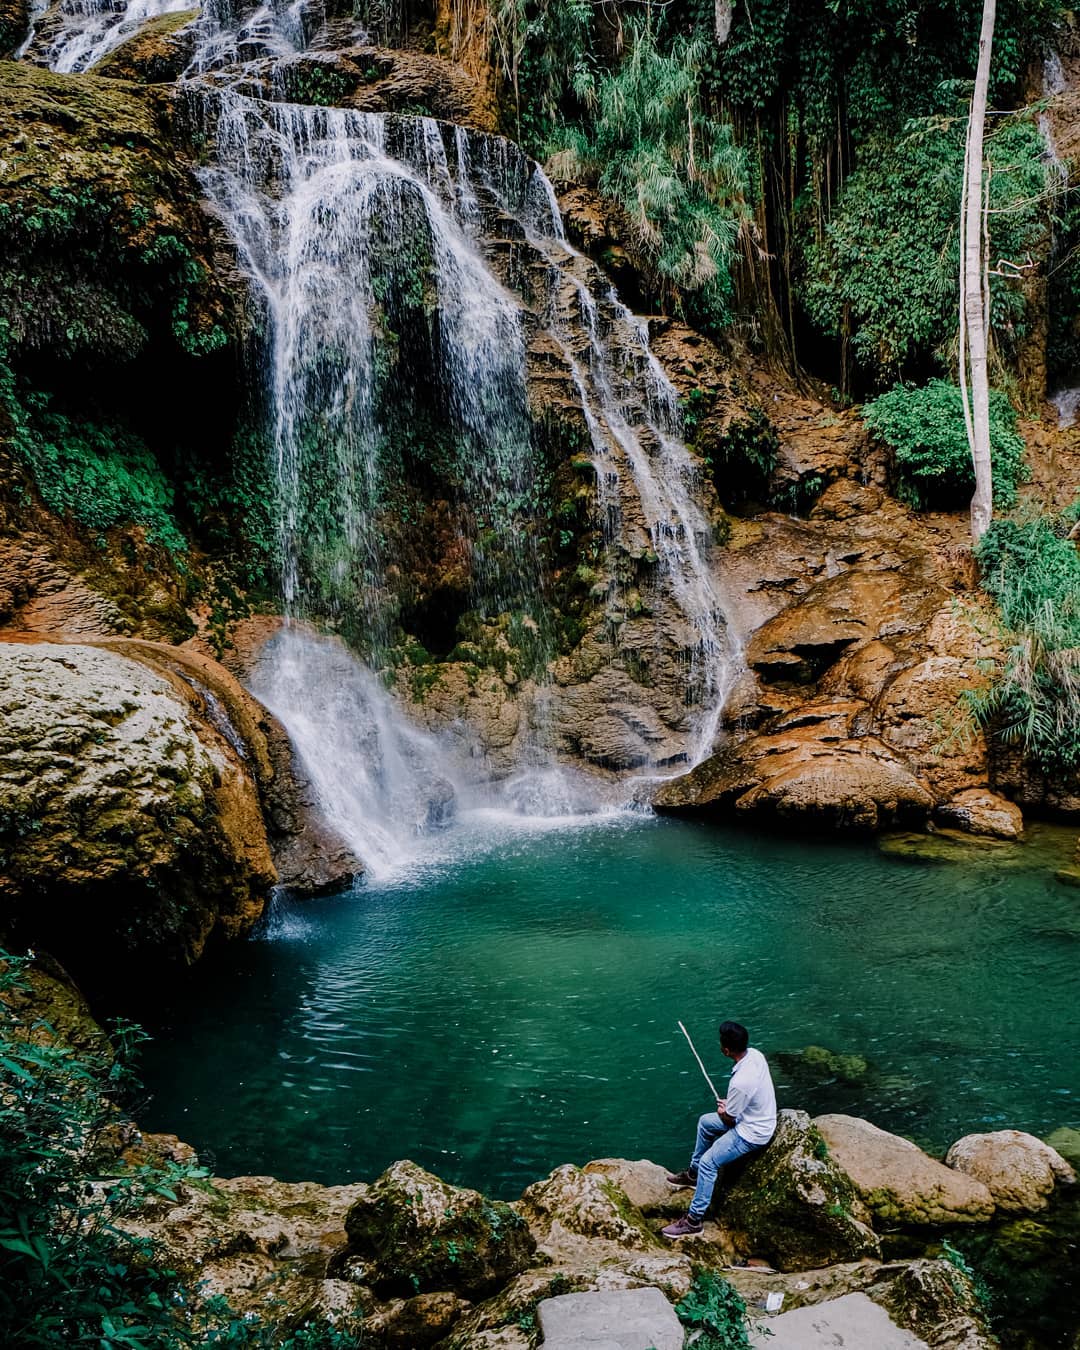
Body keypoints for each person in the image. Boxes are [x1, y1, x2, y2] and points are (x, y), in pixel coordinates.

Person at [661, 1020, 776, 1239]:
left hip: (752, 1132)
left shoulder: (741, 1082)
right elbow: (740, 1104)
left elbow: (730, 1119)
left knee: (709, 1162)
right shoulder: (755, 1055)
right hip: (754, 1117)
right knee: (705, 1122)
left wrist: (726, 1110)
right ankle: (693, 1176)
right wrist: (731, 1107)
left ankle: (694, 1220)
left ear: (725, 1050)